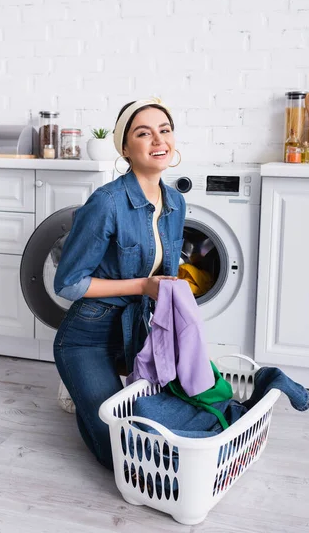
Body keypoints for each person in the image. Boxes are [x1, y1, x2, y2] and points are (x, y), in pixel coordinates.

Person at [53, 98, 186, 470]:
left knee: (173, 428)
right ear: (125, 148)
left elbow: (166, 276)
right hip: (87, 337)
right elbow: (67, 284)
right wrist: (143, 286)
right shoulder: (107, 202)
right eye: (144, 133)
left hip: (138, 332)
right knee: (124, 456)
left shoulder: (175, 202)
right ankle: (80, 379)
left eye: (165, 129)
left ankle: (96, 384)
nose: (158, 140)